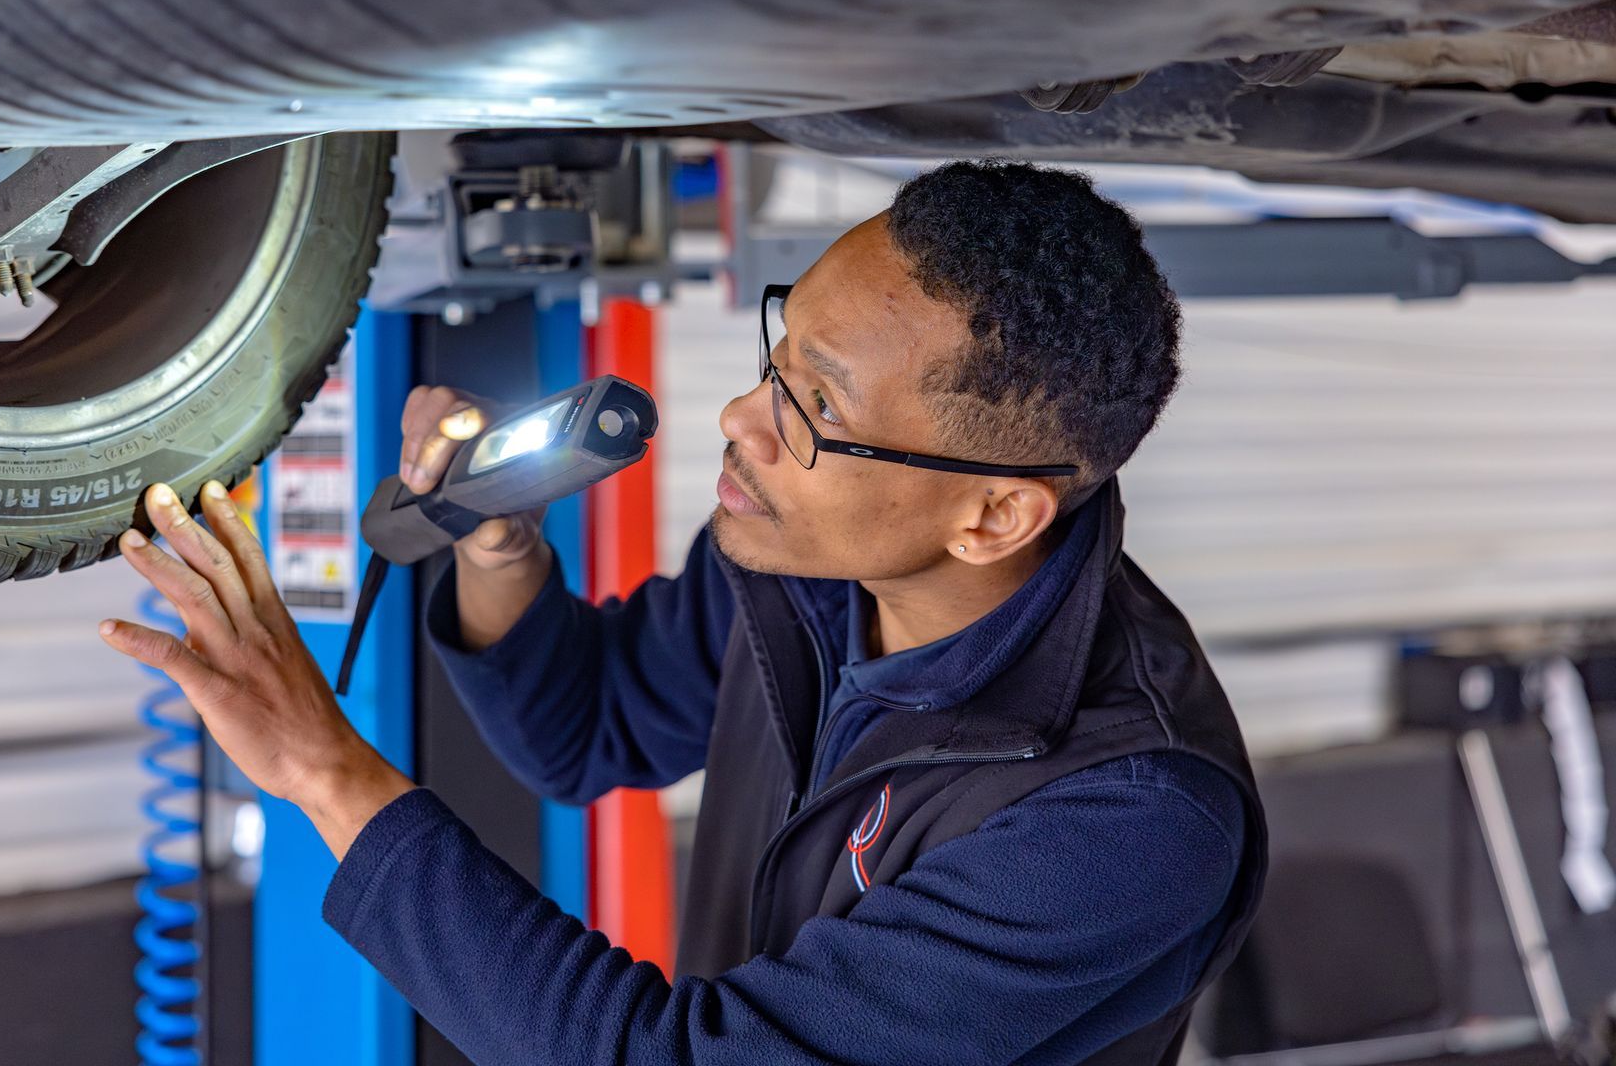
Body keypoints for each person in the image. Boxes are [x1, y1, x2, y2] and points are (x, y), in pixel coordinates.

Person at [99, 160, 1266, 1066]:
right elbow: (589, 729)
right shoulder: (813, 565)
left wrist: (326, 771)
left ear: (993, 515)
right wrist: (501, 544)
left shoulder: (1126, 815)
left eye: (812, 406)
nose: (738, 417)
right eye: (779, 353)